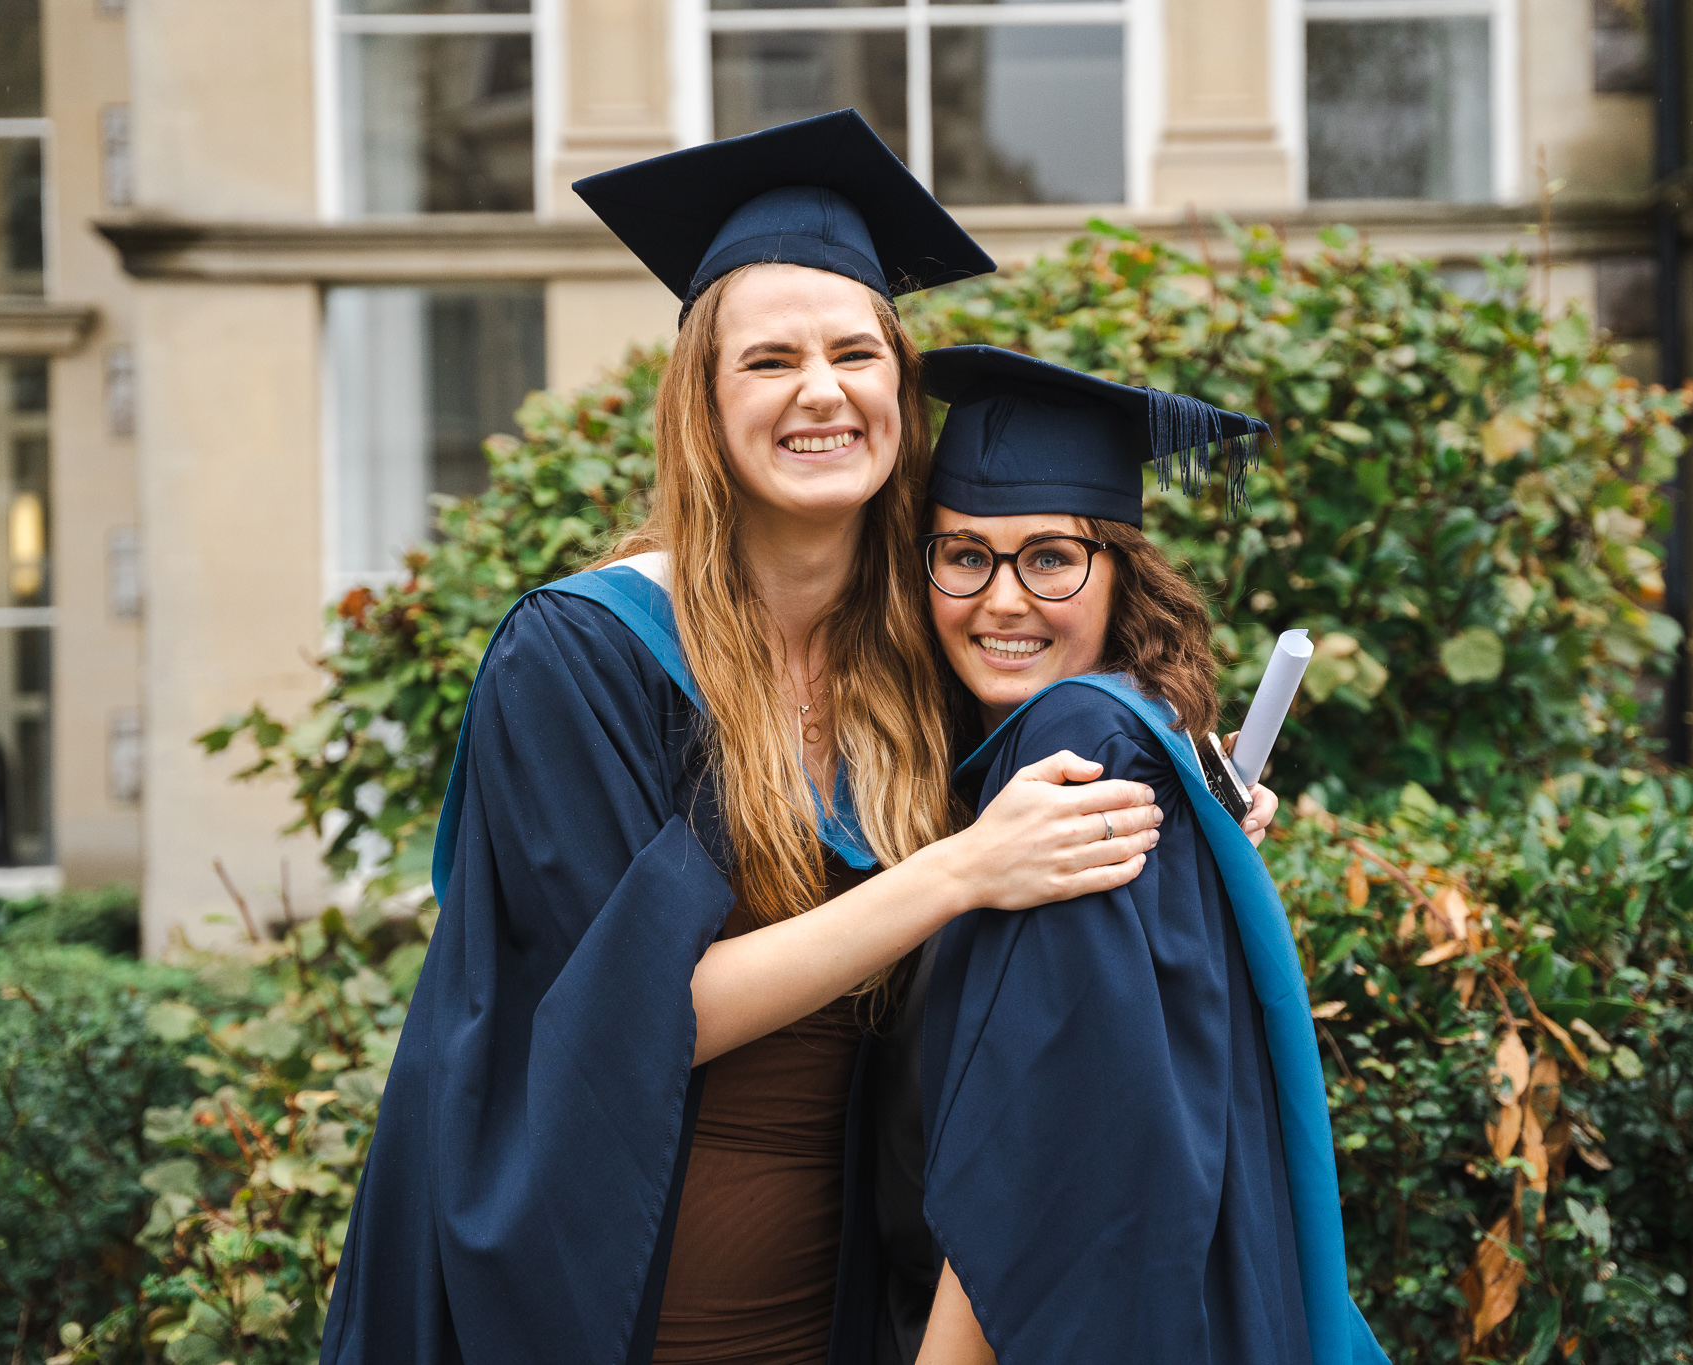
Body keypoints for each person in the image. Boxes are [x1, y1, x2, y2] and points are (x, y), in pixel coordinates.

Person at [319, 114, 1175, 1365]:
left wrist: (1175, 812)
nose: (820, 392)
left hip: (834, 1306)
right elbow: (627, 1020)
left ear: (897, 385)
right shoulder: (586, 655)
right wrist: (961, 867)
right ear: (704, 405)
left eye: (853, 353)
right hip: (597, 1298)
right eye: (768, 360)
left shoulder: (917, 664)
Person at [902, 346, 1390, 1365]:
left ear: (1120, 569)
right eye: (962, 554)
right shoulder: (1120, 736)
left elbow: (1035, 1136)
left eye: (1049, 557)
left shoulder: (1080, 747)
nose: (999, 598)